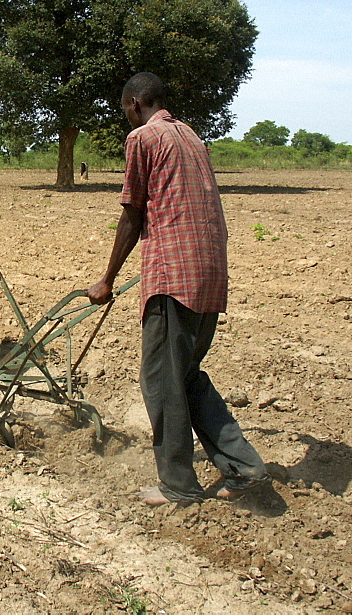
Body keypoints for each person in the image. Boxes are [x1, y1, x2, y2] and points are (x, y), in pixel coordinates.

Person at [86, 72, 268, 507]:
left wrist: (107, 278)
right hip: (209, 273)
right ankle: (243, 467)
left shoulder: (143, 138)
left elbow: (132, 212)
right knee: (185, 376)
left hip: (173, 277)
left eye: (125, 110)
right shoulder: (190, 136)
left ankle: (178, 486)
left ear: (134, 104)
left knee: (160, 381)